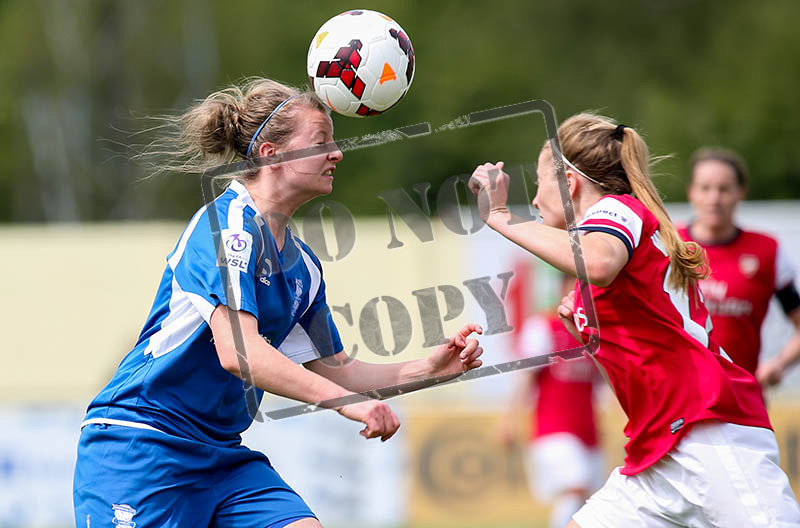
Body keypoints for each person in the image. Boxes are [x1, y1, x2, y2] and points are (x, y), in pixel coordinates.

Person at [73, 77, 484, 528]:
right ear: (273, 154)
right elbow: (240, 353)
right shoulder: (226, 225)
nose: (337, 153)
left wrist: (429, 368)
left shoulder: (304, 267)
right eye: (321, 141)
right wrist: (347, 404)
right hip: (143, 448)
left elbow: (338, 370)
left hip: (222, 458)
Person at [469, 113, 800, 527]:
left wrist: (499, 215)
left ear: (569, 184)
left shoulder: (616, 210)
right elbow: (635, 369)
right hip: (657, 452)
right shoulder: (608, 238)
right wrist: (591, 338)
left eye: (540, 183)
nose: (535, 200)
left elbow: (600, 261)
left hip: (709, 434)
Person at [679, 147, 800, 387]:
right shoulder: (668, 245)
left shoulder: (766, 251)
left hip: (742, 398)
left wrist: (779, 364)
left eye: (724, 189)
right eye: (705, 188)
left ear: (741, 192)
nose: (714, 198)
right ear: (691, 192)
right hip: (680, 398)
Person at [500, 273, 604, 528]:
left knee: (592, 504)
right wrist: (509, 420)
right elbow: (525, 377)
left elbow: (607, 384)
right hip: (553, 429)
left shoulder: (595, 335)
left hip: (588, 432)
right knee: (574, 487)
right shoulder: (543, 327)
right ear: (563, 289)